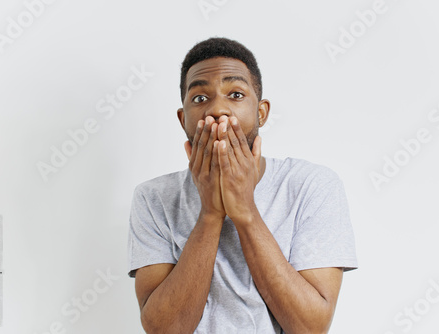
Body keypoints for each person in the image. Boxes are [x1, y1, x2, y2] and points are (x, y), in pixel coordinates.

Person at [127, 37, 358, 334]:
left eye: (235, 94)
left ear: (261, 112)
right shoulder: (153, 198)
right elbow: (164, 329)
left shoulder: (312, 186)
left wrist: (245, 210)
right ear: (183, 119)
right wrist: (210, 213)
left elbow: (310, 327)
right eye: (200, 98)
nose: (218, 110)